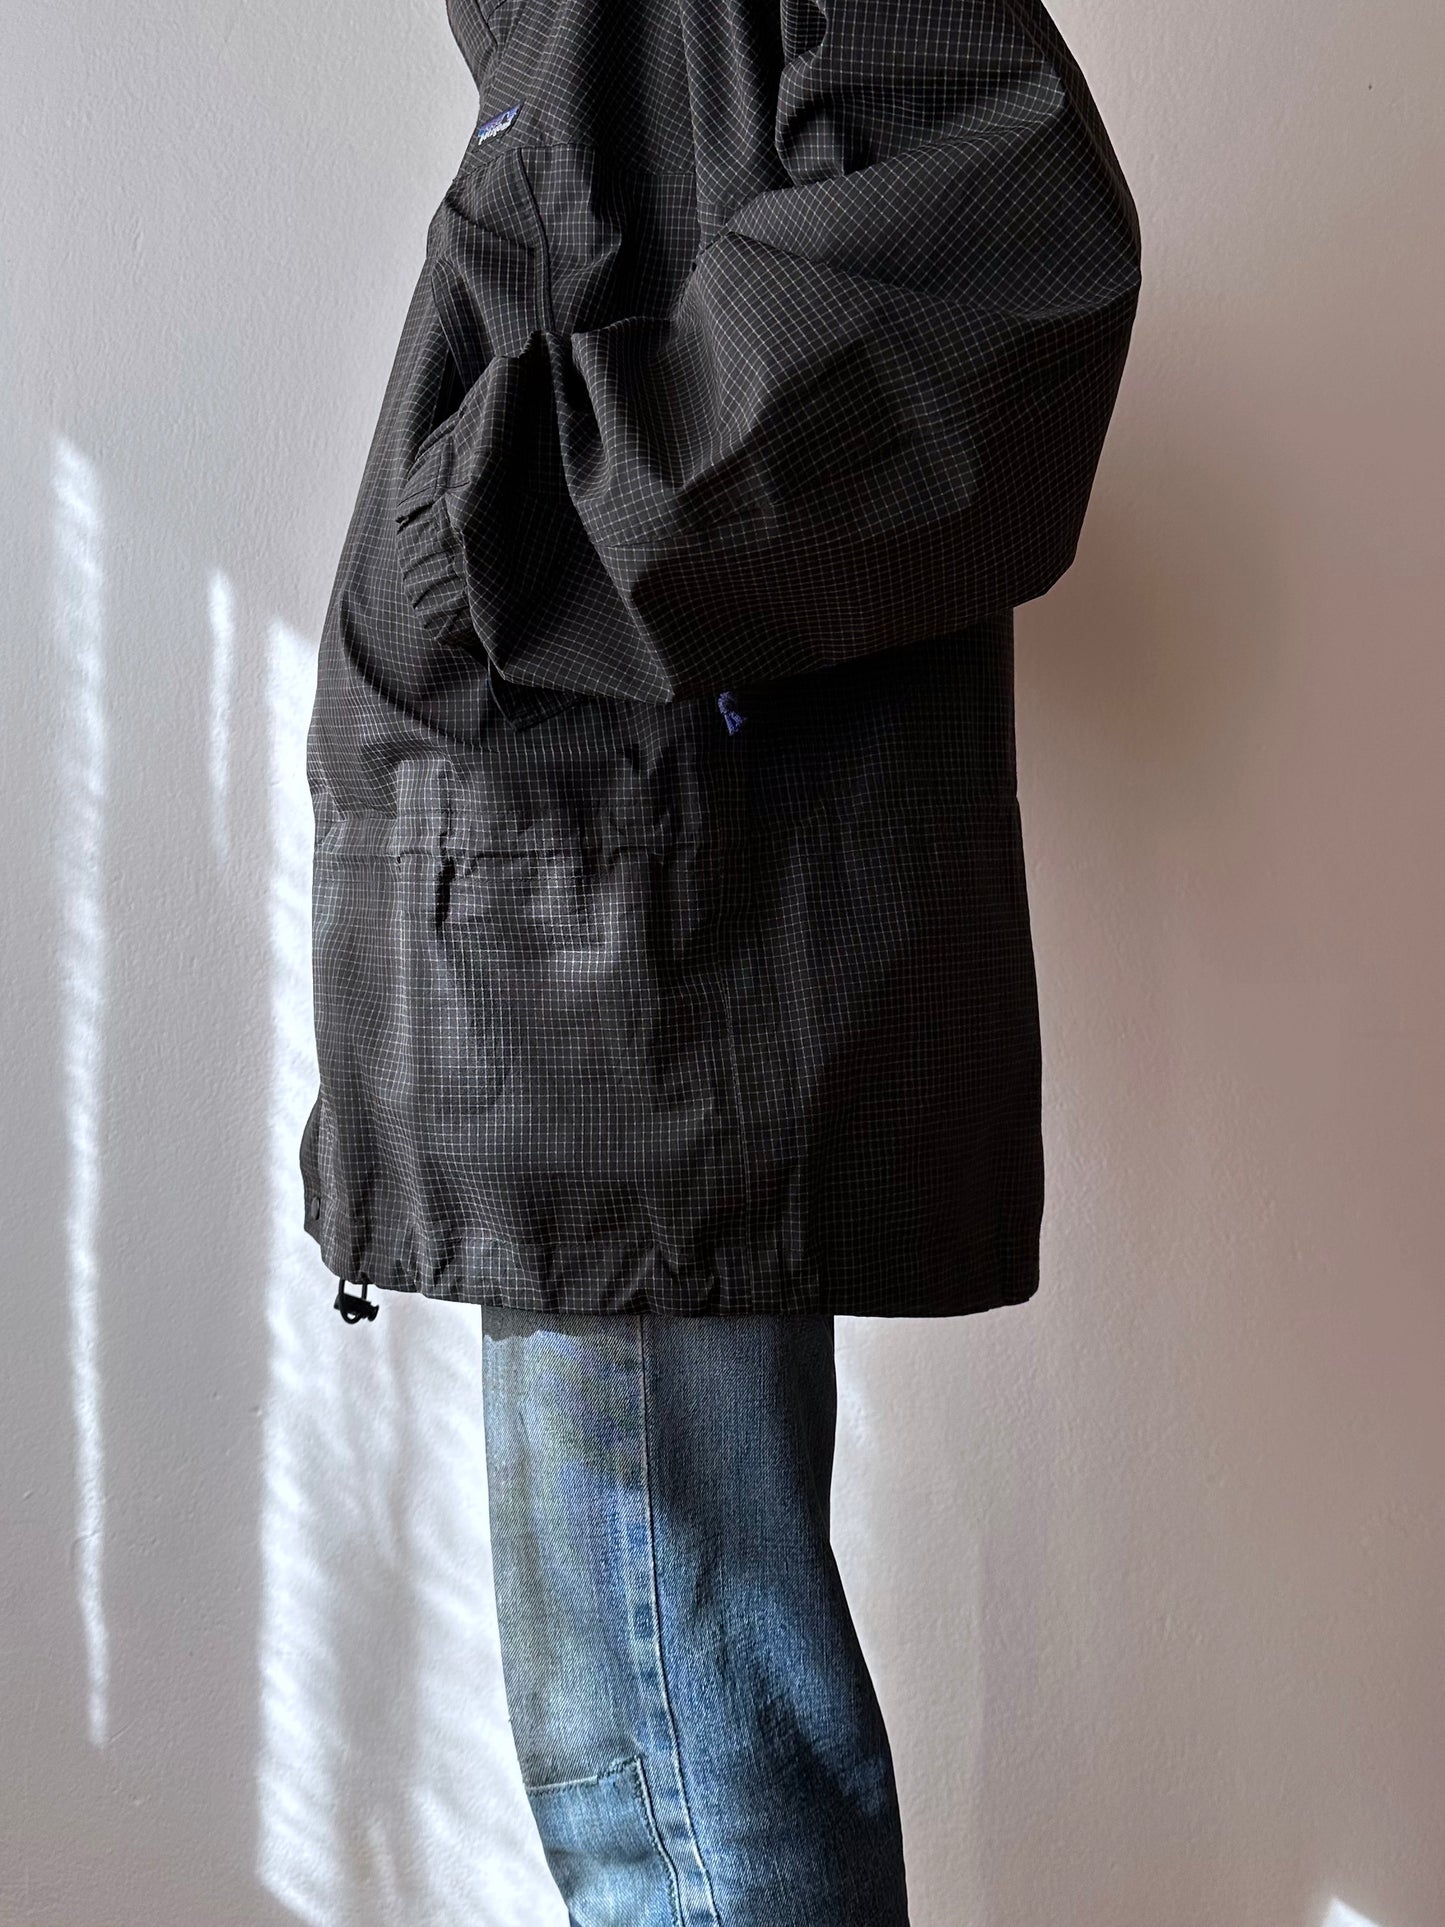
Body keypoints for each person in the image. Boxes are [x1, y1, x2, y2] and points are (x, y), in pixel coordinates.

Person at [301, 0, 1142, 1915]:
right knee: (658, 1761)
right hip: (595, 968)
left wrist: (480, 533)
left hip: (640, 978)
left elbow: (1001, 244)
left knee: (671, 1785)